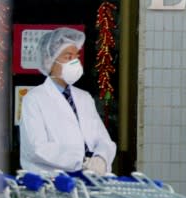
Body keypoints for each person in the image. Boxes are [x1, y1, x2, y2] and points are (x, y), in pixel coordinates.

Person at [19, 27, 116, 175]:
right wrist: (82, 161)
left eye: (76, 56)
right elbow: (36, 148)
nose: (75, 62)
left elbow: (103, 140)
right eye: (68, 56)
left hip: (90, 180)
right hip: (52, 183)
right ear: (49, 60)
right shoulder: (34, 99)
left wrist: (101, 158)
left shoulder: (84, 98)